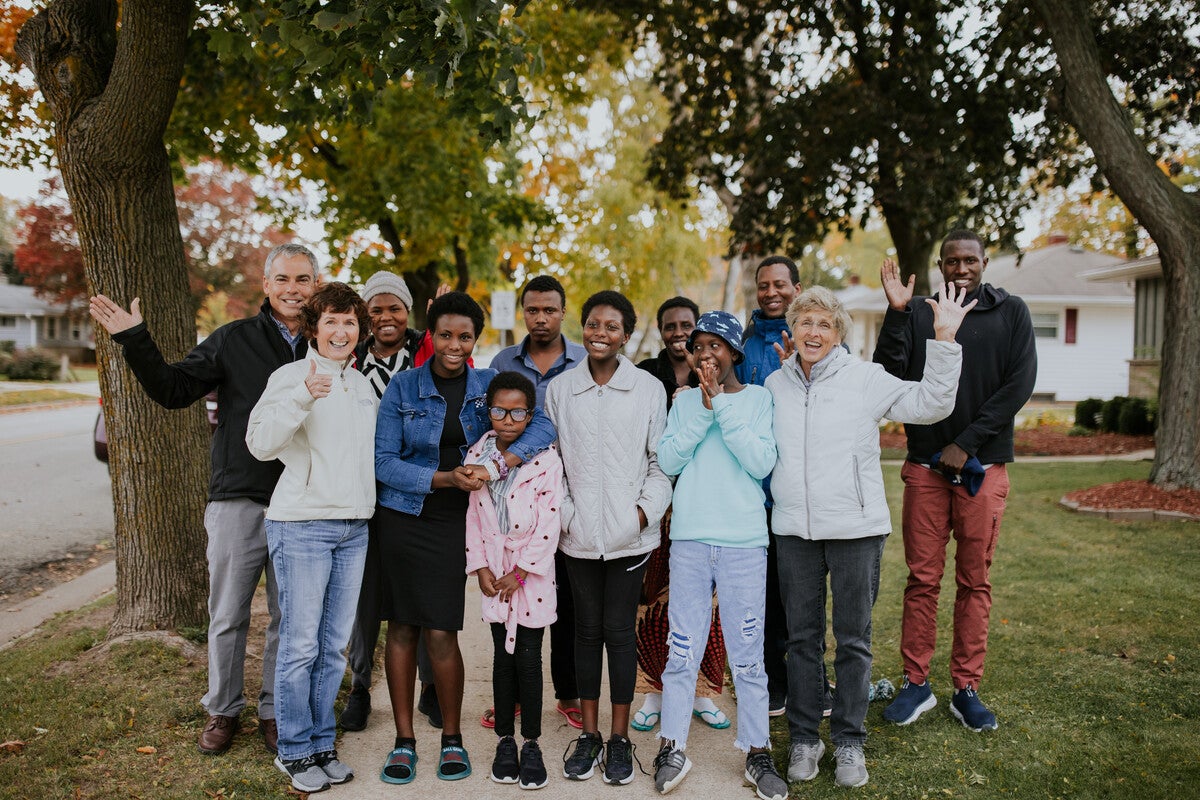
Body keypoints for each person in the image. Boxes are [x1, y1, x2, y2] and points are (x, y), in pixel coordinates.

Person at [87, 242, 319, 756]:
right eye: (282, 279)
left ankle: (275, 710)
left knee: (290, 616)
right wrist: (133, 338)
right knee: (229, 613)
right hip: (240, 496)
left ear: (316, 285)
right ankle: (222, 709)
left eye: (302, 280)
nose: (292, 289)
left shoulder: (330, 344)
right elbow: (173, 389)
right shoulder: (234, 340)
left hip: (305, 503)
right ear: (266, 285)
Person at [768, 285, 971, 789]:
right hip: (795, 530)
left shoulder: (865, 379)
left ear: (838, 333)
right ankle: (804, 739)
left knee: (853, 641)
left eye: (824, 324)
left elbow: (931, 403)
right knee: (802, 641)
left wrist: (944, 338)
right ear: (791, 330)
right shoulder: (773, 385)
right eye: (805, 322)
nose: (814, 332)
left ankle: (850, 742)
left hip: (856, 530)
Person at [374, 292, 556, 785]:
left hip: (463, 519)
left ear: (476, 339)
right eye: (446, 335)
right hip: (408, 515)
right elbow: (385, 463)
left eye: (465, 336)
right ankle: (404, 741)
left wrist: (496, 463)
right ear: (430, 335)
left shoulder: (487, 385)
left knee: (440, 629)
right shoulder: (404, 388)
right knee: (404, 628)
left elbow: (541, 424)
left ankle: (451, 737)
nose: (455, 345)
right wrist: (445, 478)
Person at [875, 230, 1037, 733]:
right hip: (925, 468)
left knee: (975, 581)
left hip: (981, 470)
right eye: (952, 261)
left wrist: (966, 444)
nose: (961, 267)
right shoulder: (922, 312)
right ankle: (916, 684)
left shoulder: (1011, 312)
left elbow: (1019, 384)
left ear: (985, 262)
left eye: (970, 260)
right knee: (922, 579)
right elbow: (888, 373)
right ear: (941, 265)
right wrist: (898, 312)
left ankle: (966, 688)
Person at [650, 311, 788, 800]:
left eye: (716, 346)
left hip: (744, 543)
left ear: (733, 352)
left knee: (748, 657)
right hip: (690, 540)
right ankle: (672, 746)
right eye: (698, 345)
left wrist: (721, 408)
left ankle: (757, 751)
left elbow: (760, 462)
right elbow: (668, 461)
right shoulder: (684, 402)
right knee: (681, 649)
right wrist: (702, 409)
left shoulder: (757, 400)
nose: (706, 353)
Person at [245, 282, 377, 793]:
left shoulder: (360, 385)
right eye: (331, 322)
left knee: (333, 647)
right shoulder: (291, 376)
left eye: (349, 323)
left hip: (353, 527)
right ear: (314, 329)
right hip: (301, 525)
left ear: (358, 331)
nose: (341, 331)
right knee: (300, 644)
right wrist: (303, 396)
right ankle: (294, 750)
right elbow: (259, 444)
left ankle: (322, 743)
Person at [545, 290, 672, 786]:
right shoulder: (560, 390)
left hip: (629, 538)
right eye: (593, 324)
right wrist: (567, 515)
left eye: (612, 326)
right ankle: (590, 735)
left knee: (619, 635)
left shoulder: (646, 389)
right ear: (583, 328)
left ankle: (620, 740)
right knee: (584, 632)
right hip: (576, 536)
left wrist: (640, 516)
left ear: (626, 334)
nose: (601, 333)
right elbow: (551, 462)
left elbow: (661, 464)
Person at [341, 270, 442, 732]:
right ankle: (360, 686)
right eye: (376, 309)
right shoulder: (350, 358)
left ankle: (428, 688)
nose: (386, 317)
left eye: (395, 308)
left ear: (409, 313)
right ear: (365, 314)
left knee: (418, 591)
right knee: (365, 595)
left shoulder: (426, 353)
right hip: (364, 492)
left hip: (417, 490)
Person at [488, 274, 587, 730]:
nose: (541, 318)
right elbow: (488, 419)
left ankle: (566, 693)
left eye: (549, 309)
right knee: (514, 597)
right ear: (522, 311)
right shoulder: (504, 359)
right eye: (533, 310)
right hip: (518, 501)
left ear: (563, 311)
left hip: (574, 492)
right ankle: (516, 695)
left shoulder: (583, 360)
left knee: (564, 600)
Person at [633, 297, 730, 733]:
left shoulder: (719, 372)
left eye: (685, 326)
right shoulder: (644, 376)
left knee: (706, 601)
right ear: (659, 330)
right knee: (652, 601)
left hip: (704, 499)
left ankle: (702, 692)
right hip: (657, 501)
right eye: (669, 325)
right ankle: (653, 690)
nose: (677, 332)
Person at [463, 371, 563, 790]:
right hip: (494, 573)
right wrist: (482, 567)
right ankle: (506, 740)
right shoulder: (477, 455)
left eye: (517, 411)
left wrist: (521, 571)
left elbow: (550, 520)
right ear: (489, 410)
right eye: (499, 410)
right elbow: (474, 516)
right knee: (500, 662)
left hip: (529, 575)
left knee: (528, 657)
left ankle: (532, 743)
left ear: (530, 415)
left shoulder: (546, 460)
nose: (507, 419)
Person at [734, 255, 803, 716]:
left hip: (798, 486)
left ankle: (810, 680)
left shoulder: (812, 336)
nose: (771, 292)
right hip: (752, 492)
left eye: (780, 284)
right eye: (763, 285)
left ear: (797, 287)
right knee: (764, 596)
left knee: (802, 596)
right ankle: (772, 682)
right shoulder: (741, 343)